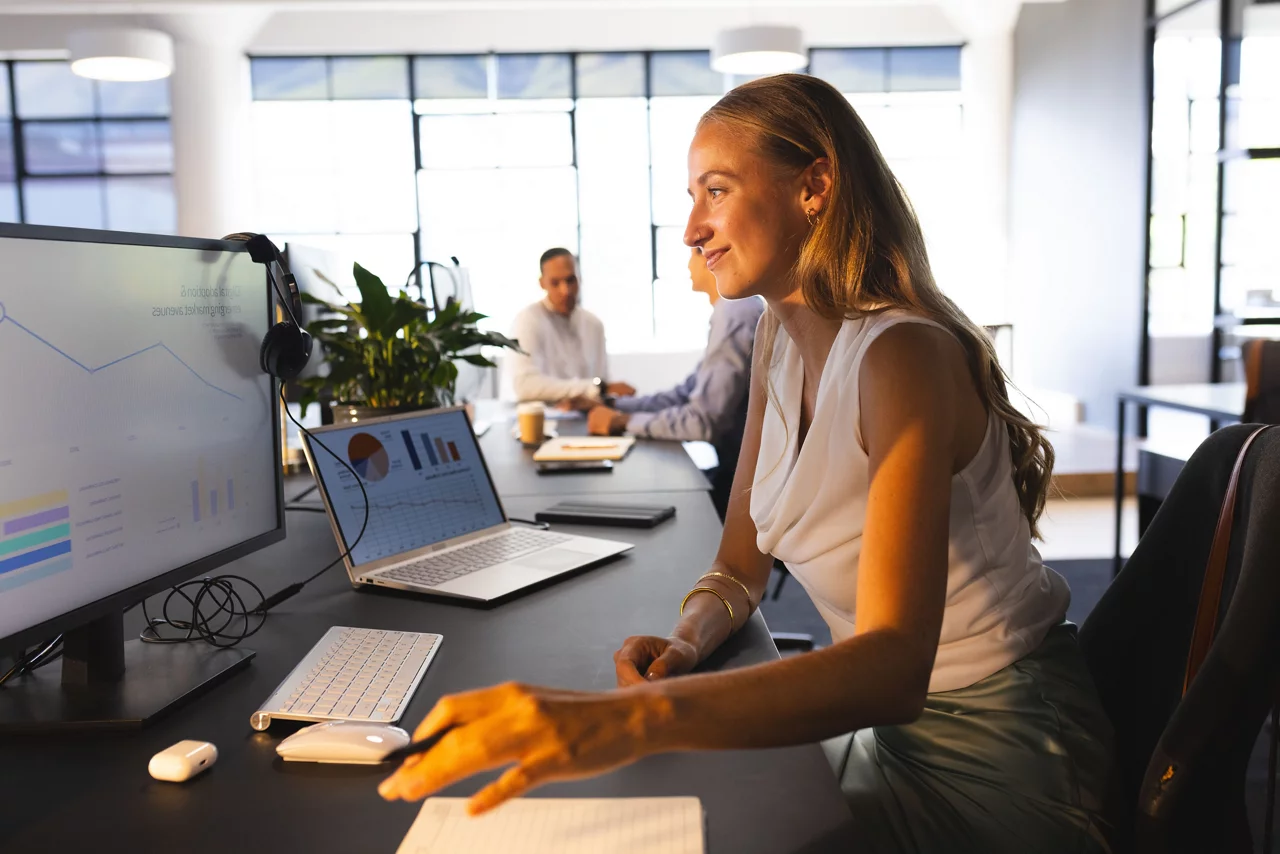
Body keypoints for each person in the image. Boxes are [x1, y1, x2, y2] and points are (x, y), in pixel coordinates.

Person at [379, 74, 1115, 854]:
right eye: (691, 197)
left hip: (1002, 759)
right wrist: (691, 641)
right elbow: (739, 567)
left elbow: (896, 666)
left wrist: (628, 720)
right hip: (891, 735)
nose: (693, 228)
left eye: (717, 191)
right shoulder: (777, 341)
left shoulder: (901, 355)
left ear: (815, 186)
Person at [587, 248, 764, 519]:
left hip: (745, 483)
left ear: (707, 257)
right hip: (740, 473)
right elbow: (686, 392)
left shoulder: (735, 311)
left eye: (693, 253)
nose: (688, 264)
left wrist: (622, 421)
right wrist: (612, 404)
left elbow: (701, 421)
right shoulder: (733, 310)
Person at [506, 247, 635, 407]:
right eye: (555, 282)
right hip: (540, 422)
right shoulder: (528, 320)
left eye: (570, 280)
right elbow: (525, 385)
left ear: (580, 279)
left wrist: (597, 393)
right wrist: (594, 388)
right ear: (542, 283)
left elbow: (601, 381)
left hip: (585, 417)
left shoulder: (593, 324)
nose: (565, 291)